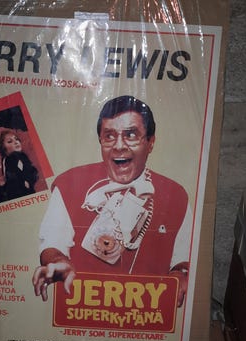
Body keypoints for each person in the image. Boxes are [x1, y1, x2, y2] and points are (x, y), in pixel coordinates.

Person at [32, 95, 192, 307]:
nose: (119, 146)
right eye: (109, 136)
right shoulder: (69, 183)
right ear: (100, 141)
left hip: (145, 313)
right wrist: (58, 262)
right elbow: (53, 244)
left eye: (131, 135)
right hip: (83, 309)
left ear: (150, 142)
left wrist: (181, 275)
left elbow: (183, 259)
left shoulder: (176, 194)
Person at [0, 129, 39, 200]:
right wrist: (23, 182)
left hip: (29, 189)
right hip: (16, 193)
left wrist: (30, 179)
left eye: (16, 139)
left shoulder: (23, 156)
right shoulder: (8, 159)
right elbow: (11, 177)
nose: (16, 142)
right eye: (10, 141)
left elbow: (31, 170)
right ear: (4, 149)